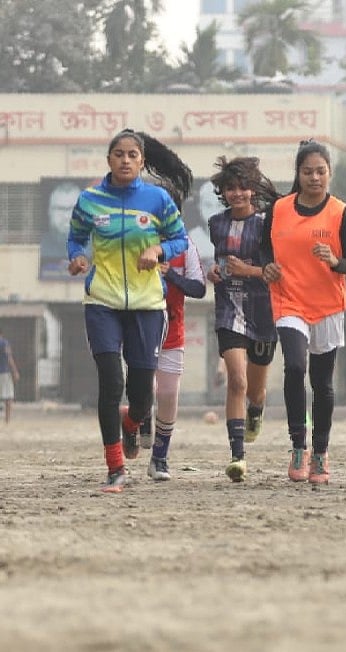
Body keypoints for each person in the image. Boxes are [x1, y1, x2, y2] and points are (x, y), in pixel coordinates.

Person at [67, 128, 191, 493]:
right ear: (108, 159)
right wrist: (76, 257)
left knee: (141, 394)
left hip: (148, 305)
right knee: (110, 382)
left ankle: (133, 421)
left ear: (141, 161)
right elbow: (75, 237)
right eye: (118, 154)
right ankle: (115, 468)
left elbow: (180, 239)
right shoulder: (90, 199)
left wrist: (159, 252)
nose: (125, 160)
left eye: (132, 155)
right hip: (102, 301)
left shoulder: (157, 200)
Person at [261, 141, 346, 485]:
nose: (314, 177)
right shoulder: (278, 210)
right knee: (294, 366)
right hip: (288, 300)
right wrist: (267, 267)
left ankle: (320, 453)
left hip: (327, 305)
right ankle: (299, 446)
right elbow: (264, 247)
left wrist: (336, 261)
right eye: (307, 171)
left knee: (321, 383)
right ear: (298, 174)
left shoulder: (340, 212)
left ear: (329, 173)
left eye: (320, 171)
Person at [207, 156, 281, 483]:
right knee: (236, 381)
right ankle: (238, 456)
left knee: (256, 391)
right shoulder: (215, 224)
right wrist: (215, 271)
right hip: (228, 309)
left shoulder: (268, 226)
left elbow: (276, 273)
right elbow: (220, 262)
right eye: (230, 188)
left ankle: (257, 411)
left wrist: (247, 270)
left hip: (264, 310)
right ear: (222, 192)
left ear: (252, 190)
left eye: (242, 187)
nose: (237, 193)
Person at [144, 234, 206, 481]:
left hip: (172, 327)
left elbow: (199, 288)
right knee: (144, 389)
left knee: (168, 394)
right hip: (139, 324)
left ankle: (159, 457)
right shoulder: (135, 237)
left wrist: (171, 275)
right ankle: (137, 419)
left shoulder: (186, 244)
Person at [0, 327, 18, 424]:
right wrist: (15, 371)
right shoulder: (4, 343)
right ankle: (7, 420)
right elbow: (9, 358)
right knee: (8, 396)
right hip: (4, 373)